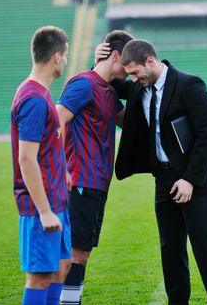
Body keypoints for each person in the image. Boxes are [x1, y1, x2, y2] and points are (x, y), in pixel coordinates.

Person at [100, 39, 207, 304]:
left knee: (205, 250)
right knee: (170, 251)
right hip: (163, 178)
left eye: (136, 72)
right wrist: (98, 59)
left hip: (196, 179)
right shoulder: (139, 87)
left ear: (150, 60)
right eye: (131, 75)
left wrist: (190, 180)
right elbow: (111, 82)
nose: (134, 79)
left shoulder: (189, 84)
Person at [56, 30, 132, 305]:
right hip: (80, 182)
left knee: (81, 252)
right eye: (127, 63)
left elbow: (130, 123)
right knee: (75, 253)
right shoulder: (83, 84)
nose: (130, 70)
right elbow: (56, 121)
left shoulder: (109, 92)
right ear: (114, 56)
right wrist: (62, 168)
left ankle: (70, 301)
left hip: (98, 184)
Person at [10, 26, 72, 305]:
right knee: (41, 276)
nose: (67, 62)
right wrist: (45, 211)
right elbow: (26, 158)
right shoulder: (34, 99)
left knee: (61, 267)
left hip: (57, 199)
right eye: (66, 56)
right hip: (41, 207)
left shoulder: (42, 93)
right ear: (57, 57)